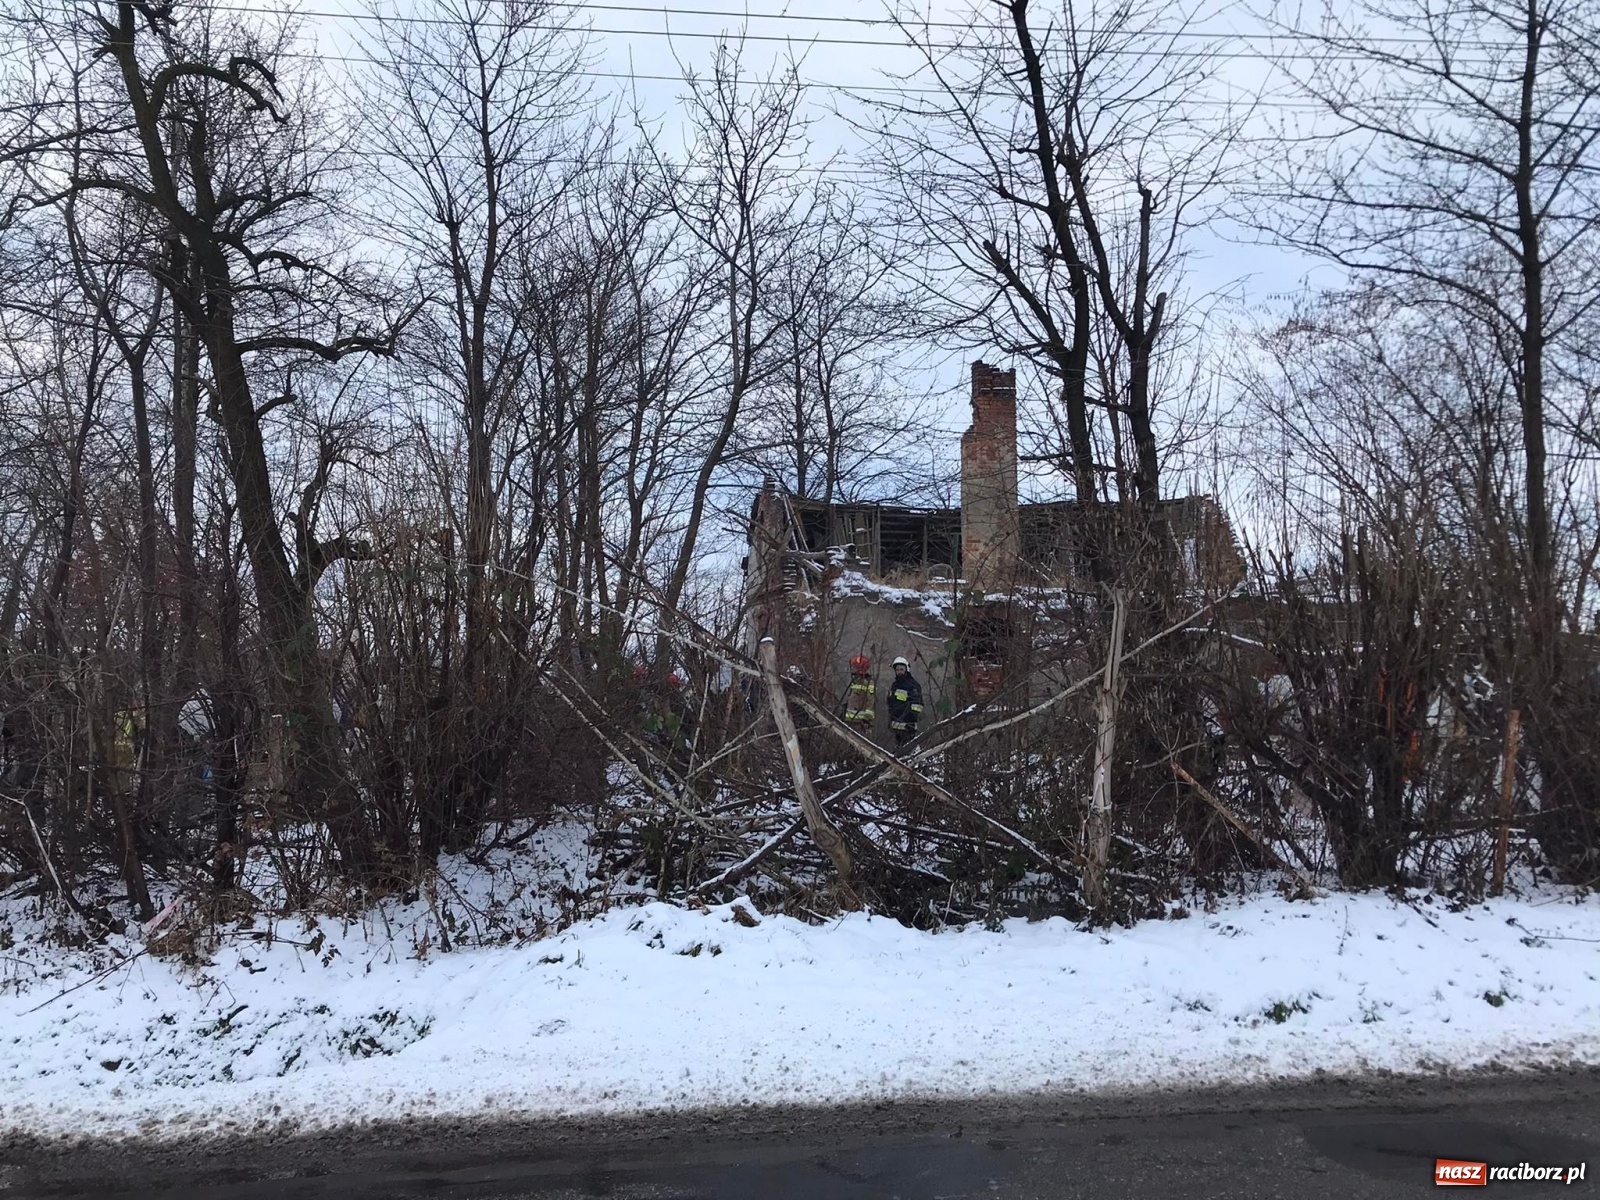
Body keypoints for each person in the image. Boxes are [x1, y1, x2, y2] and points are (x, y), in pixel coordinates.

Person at [886, 655, 923, 747]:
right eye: (897, 670)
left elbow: (918, 705)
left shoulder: (913, 685)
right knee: (898, 751)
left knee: (908, 750)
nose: (899, 672)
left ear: (906, 669)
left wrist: (908, 716)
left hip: (908, 726)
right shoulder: (895, 685)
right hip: (896, 725)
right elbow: (892, 704)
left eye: (901, 669)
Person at [843, 654, 875, 727]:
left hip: (860, 723)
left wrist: (867, 720)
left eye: (854, 667)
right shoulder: (856, 681)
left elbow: (870, 701)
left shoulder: (868, 682)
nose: (852, 669)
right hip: (850, 721)